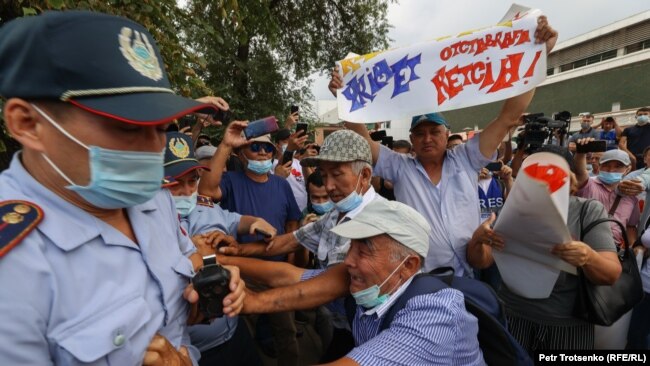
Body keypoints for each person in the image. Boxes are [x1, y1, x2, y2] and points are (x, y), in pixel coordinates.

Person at [0, 11, 245, 365]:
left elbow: (182, 272)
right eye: (128, 127)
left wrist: (207, 283)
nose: (153, 149)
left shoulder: (150, 196)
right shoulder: (15, 267)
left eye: (161, 127)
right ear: (28, 124)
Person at [331, 16, 557, 277]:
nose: (427, 138)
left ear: (447, 133)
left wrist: (537, 54)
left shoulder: (467, 157)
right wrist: (344, 99)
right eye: (420, 133)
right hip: (419, 277)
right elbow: (363, 141)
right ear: (412, 139)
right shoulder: (399, 166)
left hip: (471, 272)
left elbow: (508, 116)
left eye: (434, 132)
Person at [228, 200, 485, 365]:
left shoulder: (434, 314)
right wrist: (218, 259)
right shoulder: (369, 284)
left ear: (408, 266)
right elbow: (288, 276)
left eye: (364, 251)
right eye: (351, 247)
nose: (348, 261)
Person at [466, 145, 621, 353]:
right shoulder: (511, 210)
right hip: (514, 317)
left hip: (567, 324)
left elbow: (611, 274)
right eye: (533, 175)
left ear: (570, 179)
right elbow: (482, 261)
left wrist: (588, 257)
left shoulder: (587, 210)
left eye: (551, 173)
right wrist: (478, 240)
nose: (541, 182)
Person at [197, 126, 302, 365]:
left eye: (267, 147)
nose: (263, 152)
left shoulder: (281, 184)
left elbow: (292, 222)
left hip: (277, 271)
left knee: (286, 331)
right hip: (241, 271)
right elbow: (206, 190)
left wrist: (291, 258)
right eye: (255, 147)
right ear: (241, 153)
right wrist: (225, 145)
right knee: (244, 332)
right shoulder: (231, 181)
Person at [164, 132, 269, 366]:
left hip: (234, 332)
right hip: (195, 351)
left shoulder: (206, 206)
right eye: (175, 184)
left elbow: (235, 219)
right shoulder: (147, 226)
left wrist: (255, 223)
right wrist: (193, 249)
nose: (186, 191)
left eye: (191, 182)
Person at [575, 144, 639, 246]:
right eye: (606, 165)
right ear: (599, 166)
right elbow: (580, 172)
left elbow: (631, 227)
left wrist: (632, 250)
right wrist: (581, 152)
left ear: (627, 169)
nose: (611, 170)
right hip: (582, 246)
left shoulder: (631, 196)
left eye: (618, 166)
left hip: (613, 251)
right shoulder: (588, 184)